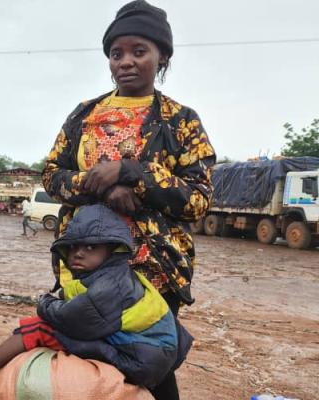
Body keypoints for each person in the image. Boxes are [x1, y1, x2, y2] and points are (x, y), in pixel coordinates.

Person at [41, 1, 216, 398]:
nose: (126, 62)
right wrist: (99, 183)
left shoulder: (180, 120)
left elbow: (199, 198)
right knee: (88, 360)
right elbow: (52, 177)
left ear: (162, 57)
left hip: (153, 266)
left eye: (140, 51)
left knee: (149, 363)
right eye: (116, 54)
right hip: (84, 264)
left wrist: (132, 173)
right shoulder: (83, 115)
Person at [0, 204, 192, 390]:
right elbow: (79, 296)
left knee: (40, 328)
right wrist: (62, 296)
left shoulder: (110, 286)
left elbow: (71, 320)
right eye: (74, 247)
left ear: (112, 249)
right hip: (150, 353)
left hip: (141, 360)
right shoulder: (112, 274)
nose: (79, 253)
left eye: (90, 247)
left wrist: (45, 302)